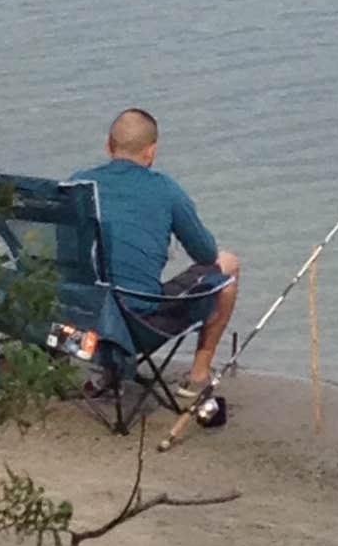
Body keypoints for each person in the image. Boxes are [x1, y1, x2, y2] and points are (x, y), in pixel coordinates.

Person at [71, 108, 240, 404]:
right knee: (229, 264)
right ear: (152, 152)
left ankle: (107, 373)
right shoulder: (166, 189)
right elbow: (205, 253)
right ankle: (199, 374)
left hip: (82, 321)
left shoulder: (78, 185)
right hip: (139, 323)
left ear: (109, 147)